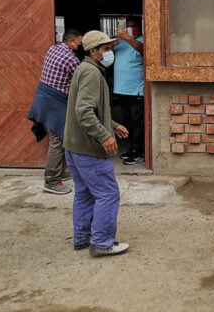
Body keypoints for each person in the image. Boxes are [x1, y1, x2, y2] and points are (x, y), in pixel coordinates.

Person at [64, 30, 130, 257]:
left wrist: (111, 125)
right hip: (88, 148)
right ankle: (102, 242)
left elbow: (89, 108)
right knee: (108, 194)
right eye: (106, 49)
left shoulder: (85, 69)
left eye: (111, 48)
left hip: (74, 147)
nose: (111, 53)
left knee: (84, 193)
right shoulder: (92, 73)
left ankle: (82, 238)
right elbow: (84, 112)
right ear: (93, 51)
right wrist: (104, 135)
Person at [28, 29, 83, 195]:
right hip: (54, 102)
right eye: (78, 43)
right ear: (70, 42)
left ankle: (61, 171)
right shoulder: (71, 60)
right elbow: (81, 79)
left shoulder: (53, 49)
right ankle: (51, 180)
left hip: (43, 99)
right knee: (57, 140)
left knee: (62, 136)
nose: (79, 46)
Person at [114, 16, 145, 165]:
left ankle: (140, 152)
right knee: (127, 123)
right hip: (121, 89)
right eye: (127, 26)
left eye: (132, 26)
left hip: (136, 91)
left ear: (139, 27)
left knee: (138, 122)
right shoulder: (121, 42)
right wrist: (113, 43)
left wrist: (128, 37)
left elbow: (144, 51)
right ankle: (132, 149)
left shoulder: (143, 39)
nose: (129, 29)